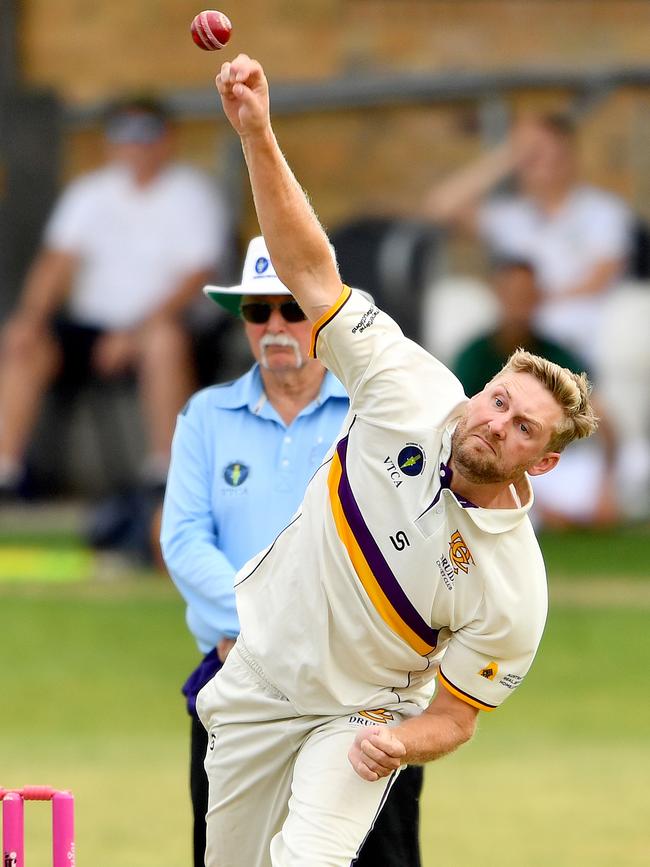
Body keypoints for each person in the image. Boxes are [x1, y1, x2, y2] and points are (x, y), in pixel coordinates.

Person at [194, 54, 597, 867]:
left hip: (363, 714)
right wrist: (257, 132)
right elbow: (310, 271)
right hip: (263, 675)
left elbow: (457, 715)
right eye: (499, 401)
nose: (496, 424)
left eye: (523, 430)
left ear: (541, 465)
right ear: (483, 387)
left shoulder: (513, 585)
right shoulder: (406, 381)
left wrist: (403, 742)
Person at [161, 235, 424, 867]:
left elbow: (405, 544)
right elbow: (184, 539)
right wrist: (267, 631)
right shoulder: (206, 416)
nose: (275, 326)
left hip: (361, 686)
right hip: (236, 676)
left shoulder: (375, 415)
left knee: (378, 858)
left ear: (323, 315)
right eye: (258, 311)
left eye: (291, 308)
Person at [0, 96, 229, 497]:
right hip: (92, 327)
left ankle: (167, 473)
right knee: (26, 342)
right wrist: (31, 317)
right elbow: (55, 262)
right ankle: (6, 471)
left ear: (168, 139)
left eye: (146, 135)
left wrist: (136, 331)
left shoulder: (192, 193)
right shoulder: (89, 192)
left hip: (167, 327)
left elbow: (197, 276)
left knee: (163, 342)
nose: (135, 146)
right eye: (123, 135)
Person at [423, 112, 632, 366]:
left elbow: (598, 280)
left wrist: (529, 301)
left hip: (578, 329)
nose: (539, 159)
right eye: (531, 152)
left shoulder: (604, 211)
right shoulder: (510, 216)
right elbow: (438, 208)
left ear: (567, 153)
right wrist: (505, 158)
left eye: (545, 150)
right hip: (515, 327)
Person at [452, 258, 619, 528]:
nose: (519, 303)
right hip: (497, 465)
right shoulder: (473, 355)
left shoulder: (559, 354)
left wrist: (606, 486)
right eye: (498, 401)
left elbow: (603, 420)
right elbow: (459, 424)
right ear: (497, 294)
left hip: (549, 467)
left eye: (527, 295)